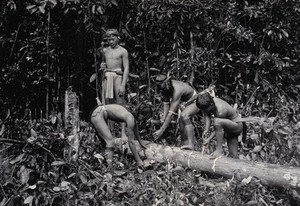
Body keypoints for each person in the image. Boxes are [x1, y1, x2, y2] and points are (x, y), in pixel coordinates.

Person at [90, 103, 147, 169]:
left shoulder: (131, 116)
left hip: (98, 113)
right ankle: (109, 170)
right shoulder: (130, 117)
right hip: (98, 115)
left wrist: (141, 142)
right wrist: (138, 160)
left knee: (105, 143)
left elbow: (135, 128)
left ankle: (104, 165)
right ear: (140, 114)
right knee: (110, 142)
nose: (144, 120)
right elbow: (131, 142)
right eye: (144, 117)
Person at [152, 74, 198, 150]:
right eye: (158, 86)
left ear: (166, 83)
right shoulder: (164, 88)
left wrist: (162, 130)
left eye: (160, 86)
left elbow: (171, 113)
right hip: (183, 103)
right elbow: (166, 105)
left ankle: (191, 145)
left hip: (194, 101)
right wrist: (163, 119)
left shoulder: (177, 90)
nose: (159, 88)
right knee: (182, 129)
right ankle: (185, 146)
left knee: (184, 116)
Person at [100, 28, 129, 139]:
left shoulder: (123, 51)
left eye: (112, 39)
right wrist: (102, 67)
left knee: (120, 104)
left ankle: (123, 133)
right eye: (109, 40)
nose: (110, 42)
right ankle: (110, 132)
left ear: (118, 38)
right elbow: (103, 64)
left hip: (118, 76)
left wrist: (123, 85)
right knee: (108, 105)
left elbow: (126, 68)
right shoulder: (105, 51)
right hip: (107, 76)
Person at [196, 92, 243, 158]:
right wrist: (206, 129)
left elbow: (219, 128)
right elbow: (207, 114)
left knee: (217, 121)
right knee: (234, 156)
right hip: (229, 126)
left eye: (206, 110)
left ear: (211, 105)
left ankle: (219, 150)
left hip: (236, 126)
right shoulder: (209, 101)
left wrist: (209, 139)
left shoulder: (220, 111)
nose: (205, 112)